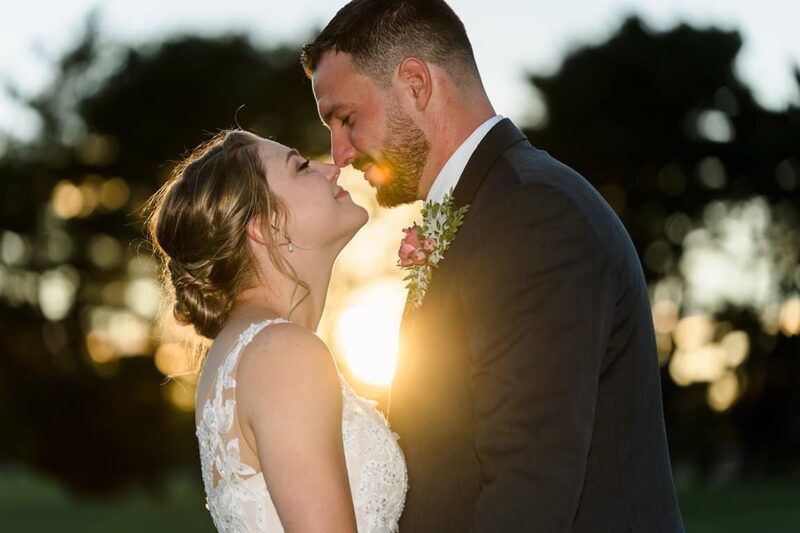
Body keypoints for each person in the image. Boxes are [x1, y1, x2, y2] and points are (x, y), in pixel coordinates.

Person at [302, 0, 684, 531]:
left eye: (346, 119)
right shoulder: (495, 208)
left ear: (415, 84)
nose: (338, 152)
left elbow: (527, 489)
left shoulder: (535, 215)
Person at [147, 129, 407, 532]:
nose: (331, 168)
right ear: (264, 224)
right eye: (301, 167)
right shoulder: (283, 353)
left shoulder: (246, 349)